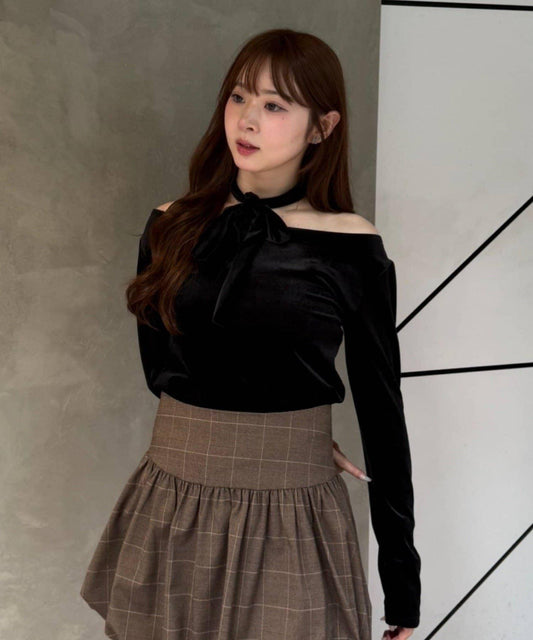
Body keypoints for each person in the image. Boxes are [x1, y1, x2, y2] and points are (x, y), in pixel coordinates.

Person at [80, 28, 421, 640]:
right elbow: (162, 372)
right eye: (239, 97)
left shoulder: (350, 245)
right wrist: (258, 427)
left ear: (322, 127)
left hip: (292, 510)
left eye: (275, 104)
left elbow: (382, 411)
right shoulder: (169, 225)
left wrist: (402, 586)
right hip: (175, 501)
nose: (248, 119)